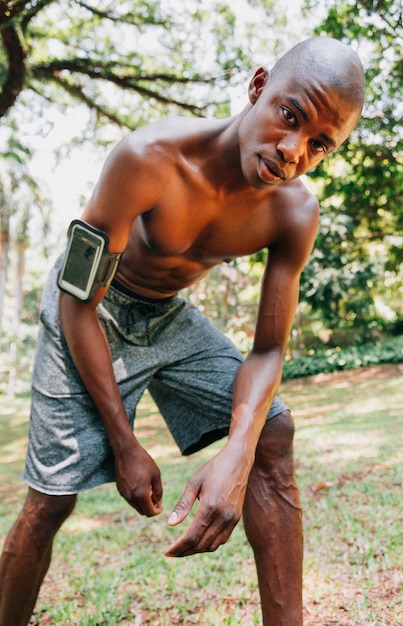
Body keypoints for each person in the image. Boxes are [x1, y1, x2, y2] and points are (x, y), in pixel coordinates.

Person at [0, 36, 365, 626]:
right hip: (90, 307)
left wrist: (237, 455)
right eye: (289, 115)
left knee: (273, 432)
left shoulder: (294, 212)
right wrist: (124, 441)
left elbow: (269, 348)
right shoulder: (146, 157)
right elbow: (76, 304)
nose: (293, 150)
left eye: (320, 143)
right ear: (258, 86)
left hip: (167, 315)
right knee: (50, 501)